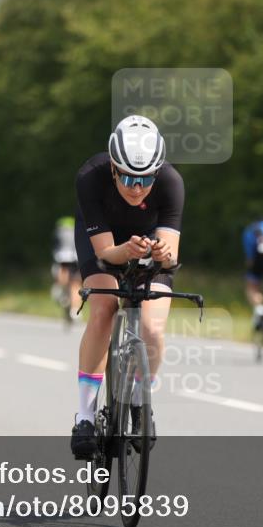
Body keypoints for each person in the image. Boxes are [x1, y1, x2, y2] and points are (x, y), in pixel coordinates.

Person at [70, 115, 183, 458]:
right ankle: (86, 416)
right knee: (104, 308)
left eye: (146, 178)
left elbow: (170, 254)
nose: (137, 187)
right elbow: (105, 253)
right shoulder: (90, 177)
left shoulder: (171, 182)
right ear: (115, 170)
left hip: (146, 245)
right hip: (104, 243)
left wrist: (161, 252)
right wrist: (126, 251)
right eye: (130, 177)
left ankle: (139, 401)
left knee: (152, 326)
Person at [51, 215, 82, 317]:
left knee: (63, 269)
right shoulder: (76, 230)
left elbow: (55, 246)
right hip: (76, 258)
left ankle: (59, 288)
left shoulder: (58, 231)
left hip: (62, 256)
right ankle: (75, 310)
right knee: (75, 284)